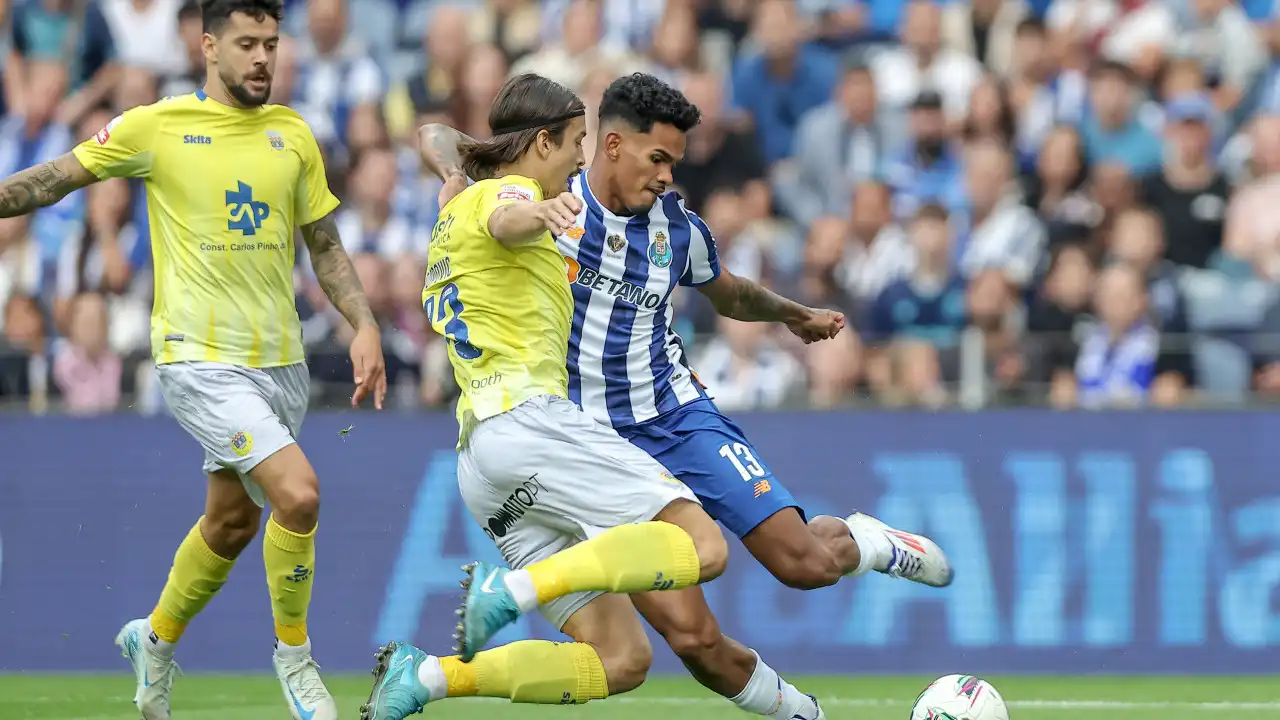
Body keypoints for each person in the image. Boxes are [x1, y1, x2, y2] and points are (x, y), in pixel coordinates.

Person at [366, 72, 952, 720]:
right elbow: (479, 182)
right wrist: (478, 174)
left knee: (805, 565)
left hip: (672, 418)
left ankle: (869, 542)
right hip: (575, 438)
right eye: (657, 158)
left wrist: (791, 314)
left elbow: (727, 292)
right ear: (610, 146)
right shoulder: (545, 201)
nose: (668, 175)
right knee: (691, 642)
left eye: (675, 160)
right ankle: (805, 716)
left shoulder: (676, 229)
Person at [0, 3, 386, 719]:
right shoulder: (157, 125)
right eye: (247, 44)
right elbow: (54, 178)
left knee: (233, 524)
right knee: (298, 495)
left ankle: (154, 639)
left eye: (271, 43)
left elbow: (325, 246)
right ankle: (297, 660)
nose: (263, 57)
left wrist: (362, 321)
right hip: (198, 361)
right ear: (209, 46)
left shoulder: (293, 134)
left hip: (280, 363)